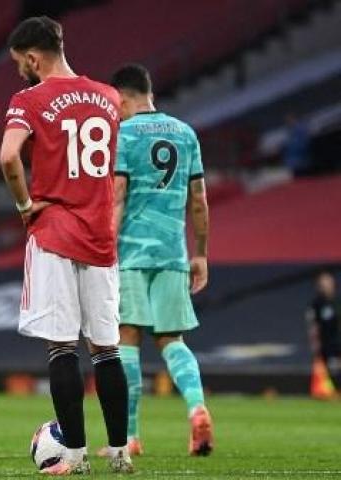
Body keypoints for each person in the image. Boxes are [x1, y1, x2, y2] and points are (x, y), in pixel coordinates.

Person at [0, 16, 133, 475]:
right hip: (100, 235)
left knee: (61, 348)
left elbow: (7, 156)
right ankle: (119, 452)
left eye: (22, 64)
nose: (22, 72)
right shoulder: (110, 97)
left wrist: (23, 204)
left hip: (55, 230)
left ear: (33, 57)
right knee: (107, 348)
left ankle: (73, 454)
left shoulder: (28, 99)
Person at [101, 64, 213, 458]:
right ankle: (197, 408)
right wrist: (200, 252)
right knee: (172, 340)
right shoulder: (185, 133)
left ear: (124, 98)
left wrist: (103, 248)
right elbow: (199, 200)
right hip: (172, 253)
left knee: (126, 338)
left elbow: (117, 197)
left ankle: (129, 436)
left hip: (130, 253)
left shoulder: (124, 134)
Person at [307, 271, 340, 387]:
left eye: (328, 282)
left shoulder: (337, 301)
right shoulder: (317, 304)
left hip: (338, 340)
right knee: (330, 369)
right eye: (323, 283)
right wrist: (314, 342)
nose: (326, 285)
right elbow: (313, 325)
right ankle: (331, 392)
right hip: (327, 343)